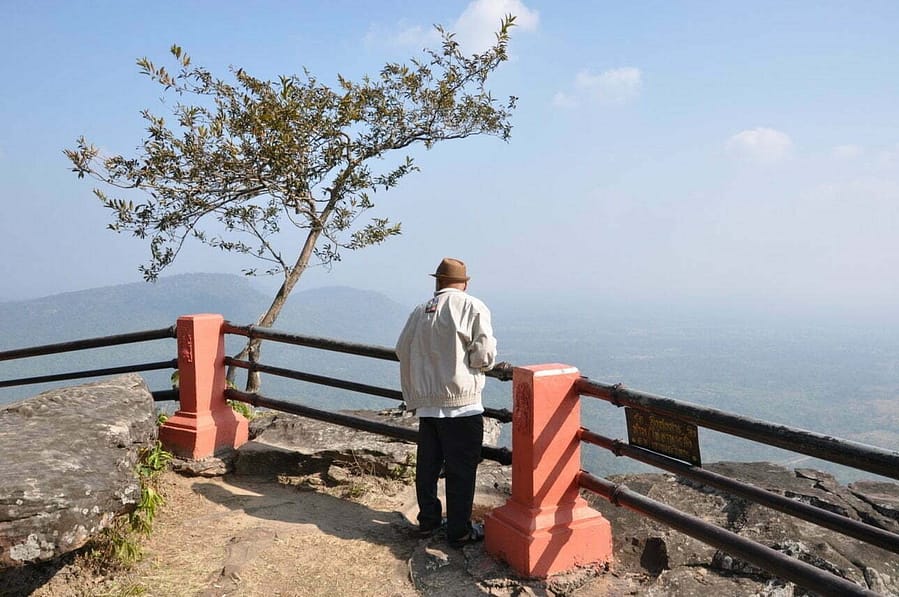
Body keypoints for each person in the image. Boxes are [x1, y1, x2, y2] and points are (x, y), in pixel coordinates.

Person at [395, 257, 497, 547]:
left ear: (437, 282)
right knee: (461, 471)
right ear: (464, 283)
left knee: (428, 466)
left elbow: (402, 348)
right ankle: (459, 531)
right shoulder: (472, 306)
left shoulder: (419, 311)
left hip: (428, 403)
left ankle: (428, 521)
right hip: (462, 403)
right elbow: (484, 354)